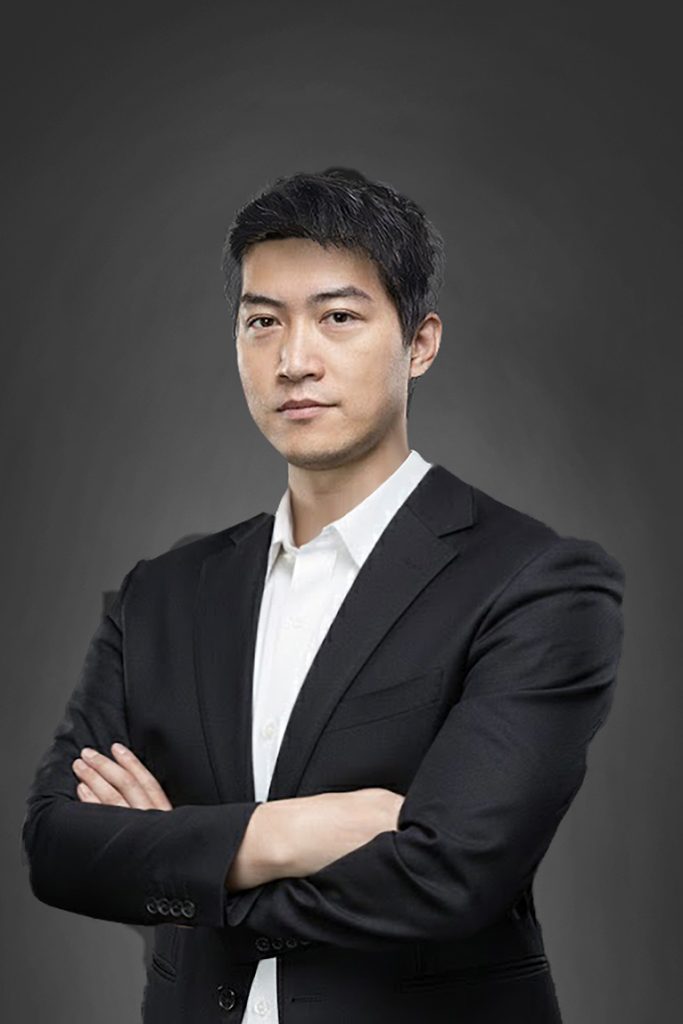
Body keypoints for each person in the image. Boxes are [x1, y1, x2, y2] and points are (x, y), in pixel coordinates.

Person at [22, 167, 625, 1023]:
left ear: (420, 343)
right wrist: (283, 835)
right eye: (262, 321)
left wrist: (176, 861)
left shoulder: (537, 582)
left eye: (337, 317)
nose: (293, 361)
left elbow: (448, 877)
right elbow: (57, 847)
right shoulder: (161, 594)